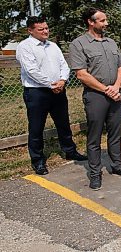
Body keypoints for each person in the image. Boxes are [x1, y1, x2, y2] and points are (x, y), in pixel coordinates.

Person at [69, 7, 121, 190]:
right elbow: (82, 74)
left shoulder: (111, 43)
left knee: (115, 133)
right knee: (94, 137)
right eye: (102, 20)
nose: (106, 23)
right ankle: (95, 173)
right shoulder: (78, 44)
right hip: (95, 96)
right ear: (91, 22)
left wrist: (116, 87)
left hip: (115, 94)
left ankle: (117, 165)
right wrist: (106, 90)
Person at [16, 16, 87, 175]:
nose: (45, 31)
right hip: (37, 93)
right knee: (36, 127)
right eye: (41, 29)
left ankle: (70, 150)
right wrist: (51, 84)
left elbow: (64, 65)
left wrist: (62, 80)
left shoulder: (53, 46)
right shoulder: (25, 47)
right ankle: (38, 160)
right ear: (30, 30)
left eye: (46, 28)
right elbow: (31, 70)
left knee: (63, 123)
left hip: (59, 90)